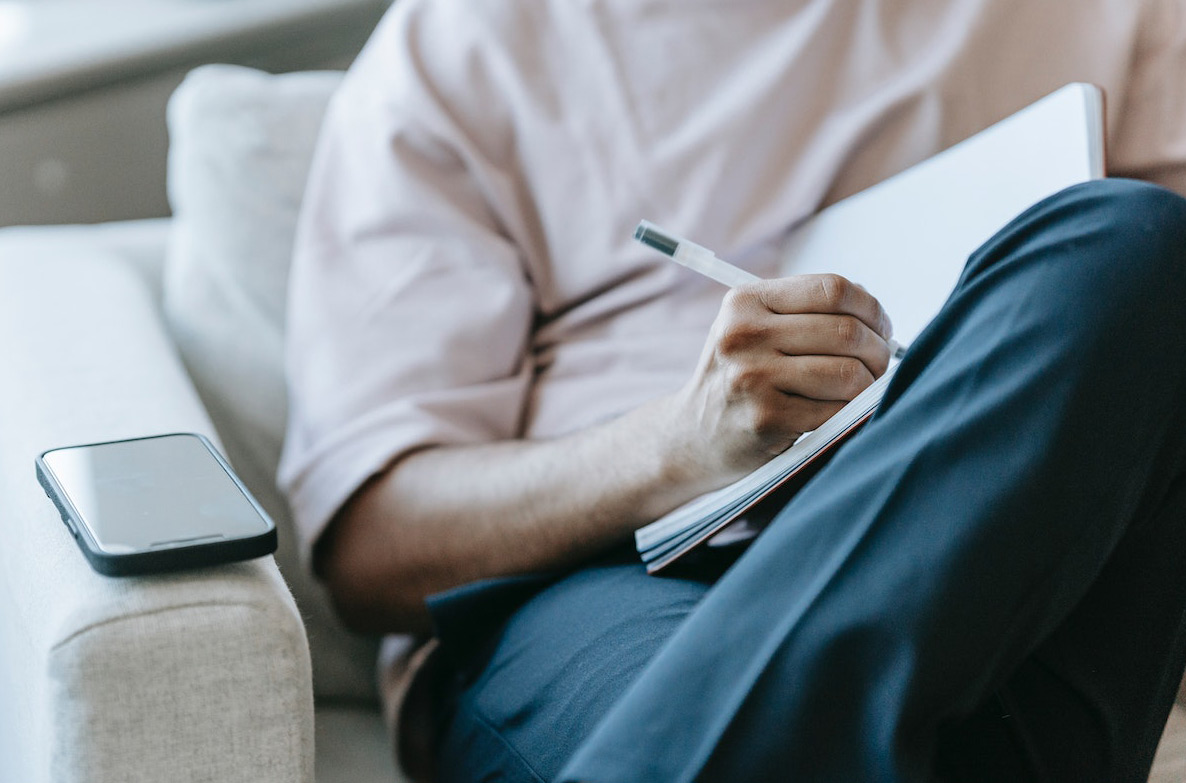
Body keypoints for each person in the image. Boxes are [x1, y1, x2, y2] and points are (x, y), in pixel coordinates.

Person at [278, 1, 1186, 780]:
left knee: (1136, 243)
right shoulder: (463, 44)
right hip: (621, 584)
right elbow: (372, 545)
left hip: (999, 567)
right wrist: (679, 445)